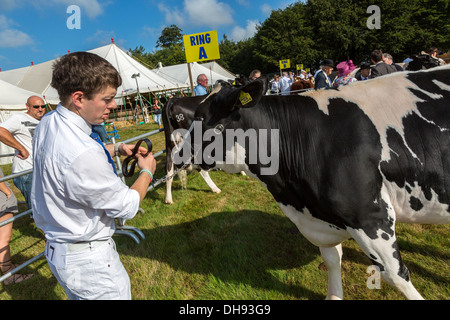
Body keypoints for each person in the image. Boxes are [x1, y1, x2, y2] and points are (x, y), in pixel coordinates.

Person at [31, 51, 156, 300]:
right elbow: (127, 206)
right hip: (90, 263)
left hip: (62, 251)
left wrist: (117, 148)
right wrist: (146, 172)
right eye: (107, 99)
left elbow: (65, 163)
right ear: (79, 98)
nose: (114, 105)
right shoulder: (84, 153)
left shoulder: (48, 121)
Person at [0, 96, 46, 210]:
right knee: (37, 208)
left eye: (43, 106)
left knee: (45, 205)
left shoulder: (45, 120)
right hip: (26, 171)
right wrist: (21, 148)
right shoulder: (19, 118)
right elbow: (1, 131)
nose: (40, 109)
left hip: (41, 169)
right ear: (27, 106)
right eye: (36, 106)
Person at [0, 168, 33, 285]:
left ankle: (7, 266)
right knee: (3, 239)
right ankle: (8, 274)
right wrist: (8, 192)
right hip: (1, 199)